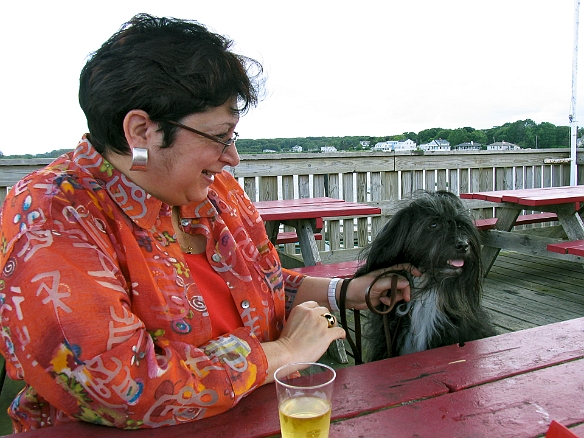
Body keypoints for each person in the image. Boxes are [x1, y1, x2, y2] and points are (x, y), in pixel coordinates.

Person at [0, 14, 414, 432]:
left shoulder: (217, 193)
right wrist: (285, 352)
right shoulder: (52, 213)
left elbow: (264, 282)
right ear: (142, 130)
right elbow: (118, 385)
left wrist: (344, 292)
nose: (232, 156)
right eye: (220, 136)